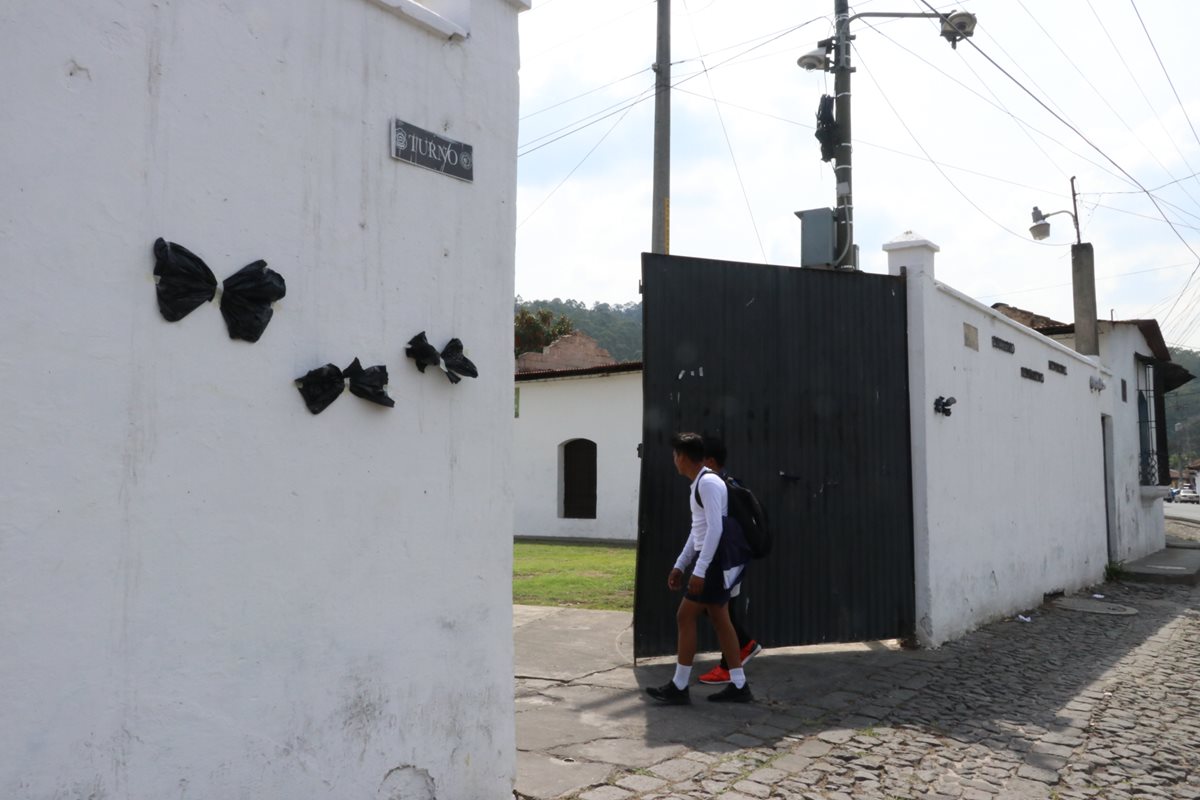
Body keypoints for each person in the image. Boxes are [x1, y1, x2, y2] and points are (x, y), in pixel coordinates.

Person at [645, 432, 754, 704]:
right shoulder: (700, 484)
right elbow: (699, 532)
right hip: (711, 561)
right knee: (721, 620)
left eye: (675, 455)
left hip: (714, 563)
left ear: (682, 457)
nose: (674, 461)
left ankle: (680, 687)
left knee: (686, 616)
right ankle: (740, 686)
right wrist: (681, 564)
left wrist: (700, 570)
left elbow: (715, 529)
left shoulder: (707, 484)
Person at [697, 436, 763, 686]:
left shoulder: (716, 485)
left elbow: (717, 528)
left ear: (710, 461)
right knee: (719, 609)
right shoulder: (726, 483)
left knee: (720, 610)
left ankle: (732, 667)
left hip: (727, 561)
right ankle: (743, 649)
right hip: (731, 560)